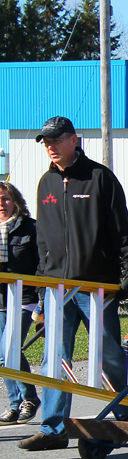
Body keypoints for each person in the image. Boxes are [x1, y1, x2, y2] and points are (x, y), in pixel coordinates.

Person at [20, 116, 128, 452]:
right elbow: (42, 239)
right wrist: (42, 285)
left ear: (74, 139)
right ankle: (53, 428)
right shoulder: (46, 182)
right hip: (57, 288)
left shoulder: (99, 178)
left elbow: (121, 232)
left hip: (96, 287)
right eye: (46, 142)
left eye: (56, 140)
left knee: (108, 355)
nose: (50, 147)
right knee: (54, 357)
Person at [0, 182, 41, 426]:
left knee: (8, 352)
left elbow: (41, 264)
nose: (1, 204)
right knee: (1, 355)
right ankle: (15, 404)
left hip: (25, 299)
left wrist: (43, 302)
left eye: (5, 199)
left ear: (15, 201)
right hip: (1, 302)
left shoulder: (30, 228)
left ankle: (29, 398)